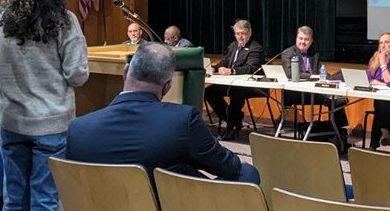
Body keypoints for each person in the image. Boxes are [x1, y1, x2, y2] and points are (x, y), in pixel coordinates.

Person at [0, 0, 90, 211]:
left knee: (13, 202)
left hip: (11, 120)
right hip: (51, 124)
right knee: (45, 203)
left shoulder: (3, 18)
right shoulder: (64, 20)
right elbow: (77, 74)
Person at [67, 42, 260, 184]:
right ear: (167, 86)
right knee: (247, 173)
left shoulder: (78, 129)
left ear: (125, 73)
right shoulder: (183, 120)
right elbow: (228, 166)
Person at [279, 26, 348, 141]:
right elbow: (290, 74)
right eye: (300, 38)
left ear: (311, 41)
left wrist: (332, 78)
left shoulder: (314, 54)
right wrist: (312, 77)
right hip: (296, 92)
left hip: (314, 90)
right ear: (296, 38)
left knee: (339, 91)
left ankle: (337, 131)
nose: (303, 42)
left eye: (306, 39)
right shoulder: (288, 53)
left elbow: (322, 73)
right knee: (333, 99)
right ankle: (336, 132)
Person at [203, 19, 265, 140]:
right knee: (209, 92)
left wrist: (231, 71)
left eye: (243, 33)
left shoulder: (255, 48)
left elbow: (250, 68)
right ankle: (233, 120)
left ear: (249, 33)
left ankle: (232, 125)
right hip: (232, 83)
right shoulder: (233, 46)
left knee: (236, 93)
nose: (240, 37)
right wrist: (214, 69)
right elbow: (225, 61)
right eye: (237, 33)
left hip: (249, 86)